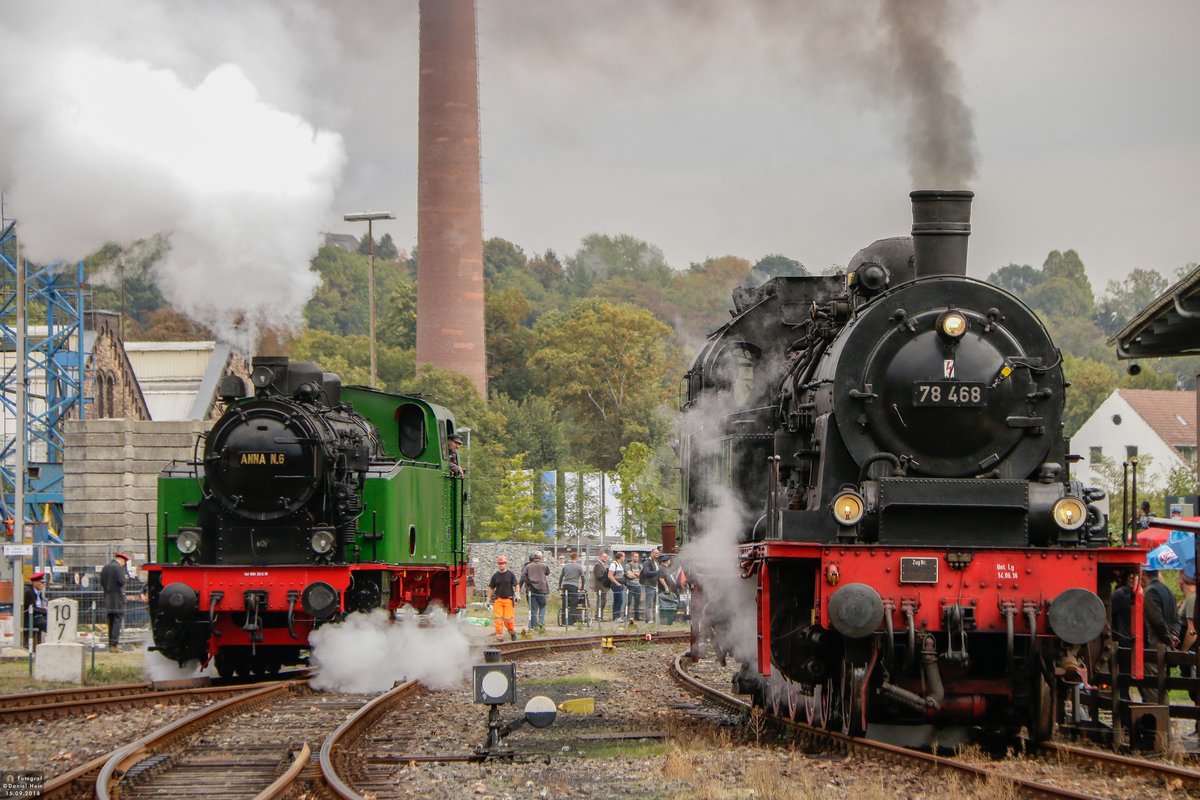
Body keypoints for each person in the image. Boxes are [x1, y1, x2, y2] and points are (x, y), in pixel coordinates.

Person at [1141, 567, 1179, 703]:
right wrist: (1173, 635)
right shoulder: (1167, 590)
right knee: (1162, 684)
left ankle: (1158, 714)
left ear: (1143, 573)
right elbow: (1176, 619)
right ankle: (1163, 711)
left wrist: (1168, 638)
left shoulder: (1150, 592)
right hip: (1166, 643)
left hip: (1154, 645)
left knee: (1153, 685)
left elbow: (1157, 621)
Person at [1110, 570, 1135, 701]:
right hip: (1129, 638)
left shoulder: (1120, 594)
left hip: (1121, 639)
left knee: (1121, 675)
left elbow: (1109, 612)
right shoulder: (1132, 594)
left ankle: (1123, 701)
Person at [100, 552, 131, 650]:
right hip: (117, 598)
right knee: (117, 621)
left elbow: (102, 582)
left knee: (111, 621)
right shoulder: (118, 568)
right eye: (124, 563)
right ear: (122, 561)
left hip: (108, 597)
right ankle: (114, 644)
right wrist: (126, 578)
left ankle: (110, 643)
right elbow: (122, 581)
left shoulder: (105, 567)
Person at [487, 555, 519, 642]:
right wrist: (488, 599)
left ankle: (512, 632)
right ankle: (499, 636)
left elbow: (516, 585)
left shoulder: (510, 575)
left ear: (505, 564)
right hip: (498, 600)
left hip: (508, 600)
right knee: (498, 619)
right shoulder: (495, 576)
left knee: (508, 619)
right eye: (499, 563)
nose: (501, 565)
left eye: (502, 563)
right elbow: (491, 588)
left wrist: (517, 594)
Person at [520, 551, 551, 632]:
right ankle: (541, 622)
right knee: (542, 606)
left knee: (533, 609)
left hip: (532, 589)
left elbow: (523, 576)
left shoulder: (528, 566)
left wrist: (528, 582)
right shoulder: (544, 566)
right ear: (540, 558)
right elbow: (547, 573)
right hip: (542, 589)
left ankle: (534, 626)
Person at [559, 550, 585, 625]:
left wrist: (560, 586)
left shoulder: (566, 566)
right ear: (576, 558)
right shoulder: (579, 567)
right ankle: (571, 621)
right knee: (573, 603)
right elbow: (583, 578)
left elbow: (561, 576)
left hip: (565, 585)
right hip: (574, 585)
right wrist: (582, 587)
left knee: (565, 603)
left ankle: (564, 621)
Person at [23, 572, 48, 643]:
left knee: (53, 621)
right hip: (31, 618)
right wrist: (45, 610)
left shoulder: (38, 593)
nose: (43, 584)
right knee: (47, 624)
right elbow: (32, 608)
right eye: (42, 582)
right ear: (34, 583)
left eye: (44, 582)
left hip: (39, 617)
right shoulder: (29, 593)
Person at [641, 548, 661, 624]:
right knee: (649, 604)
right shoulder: (647, 562)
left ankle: (656, 619)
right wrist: (657, 572)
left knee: (657, 603)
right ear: (651, 553)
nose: (657, 555)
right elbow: (646, 573)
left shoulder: (657, 562)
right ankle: (647, 619)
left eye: (658, 553)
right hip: (649, 585)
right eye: (655, 553)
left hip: (657, 585)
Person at [608, 551, 627, 621]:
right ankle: (617, 616)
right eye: (623, 556)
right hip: (616, 585)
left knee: (617, 600)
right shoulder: (614, 564)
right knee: (620, 600)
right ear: (620, 557)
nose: (624, 558)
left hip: (621, 584)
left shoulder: (620, 564)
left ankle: (615, 616)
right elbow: (610, 576)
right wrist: (617, 583)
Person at [592, 552, 610, 621]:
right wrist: (607, 575)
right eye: (604, 557)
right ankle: (598, 616)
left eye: (606, 557)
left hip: (604, 586)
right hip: (600, 586)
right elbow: (598, 576)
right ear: (600, 557)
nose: (605, 558)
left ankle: (600, 615)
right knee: (601, 601)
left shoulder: (603, 565)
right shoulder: (598, 565)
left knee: (603, 601)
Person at [625, 552, 643, 621]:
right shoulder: (628, 565)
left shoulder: (640, 566)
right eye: (635, 557)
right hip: (630, 586)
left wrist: (634, 574)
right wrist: (637, 575)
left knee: (637, 602)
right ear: (632, 557)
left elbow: (642, 575)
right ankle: (626, 616)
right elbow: (629, 576)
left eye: (637, 557)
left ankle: (637, 616)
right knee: (628, 601)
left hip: (638, 586)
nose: (637, 558)